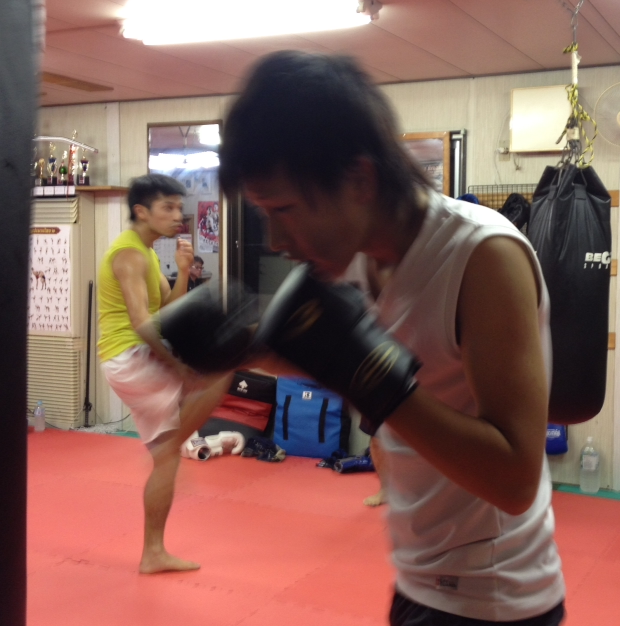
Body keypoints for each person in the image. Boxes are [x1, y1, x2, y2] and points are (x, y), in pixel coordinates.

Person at [220, 52, 565, 625]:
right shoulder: (353, 260)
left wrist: (371, 379)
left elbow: (515, 480)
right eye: (262, 213)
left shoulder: (482, 258)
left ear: (359, 179)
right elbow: (334, 357)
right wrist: (227, 349)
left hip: (496, 598)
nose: (276, 239)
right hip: (417, 576)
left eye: (284, 209)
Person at [97, 174, 231, 574]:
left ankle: (153, 553)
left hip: (131, 357)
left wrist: (184, 271)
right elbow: (142, 323)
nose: (178, 215)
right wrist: (178, 368)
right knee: (223, 368)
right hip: (129, 356)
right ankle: (177, 440)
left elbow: (166, 309)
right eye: (168, 207)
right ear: (142, 211)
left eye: (179, 207)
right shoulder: (129, 255)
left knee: (165, 459)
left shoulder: (149, 252)